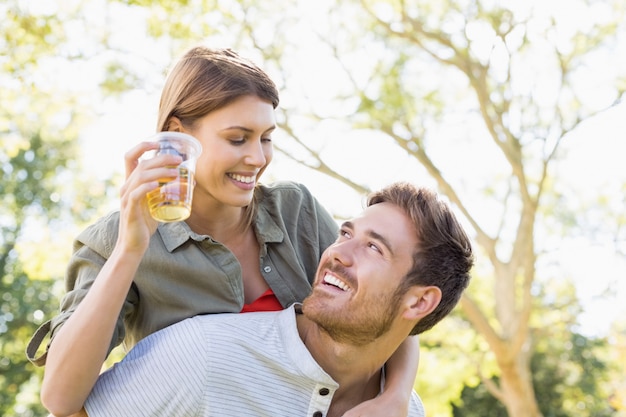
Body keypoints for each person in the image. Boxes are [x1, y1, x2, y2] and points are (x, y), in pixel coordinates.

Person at [29, 46, 421, 416]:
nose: (257, 158)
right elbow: (61, 398)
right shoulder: (114, 241)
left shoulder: (293, 210)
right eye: (238, 139)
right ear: (178, 133)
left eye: (266, 139)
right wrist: (130, 249)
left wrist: (396, 395)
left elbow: (387, 304)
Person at [41, 182, 474, 417]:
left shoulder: (403, 409)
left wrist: (396, 396)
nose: (337, 250)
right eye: (345, 233)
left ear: (420, 303)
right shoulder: (206, 355)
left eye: (373, 247)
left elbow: (386, 328)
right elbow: (69, 407)